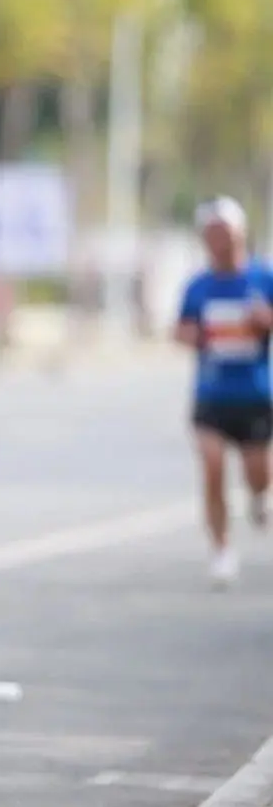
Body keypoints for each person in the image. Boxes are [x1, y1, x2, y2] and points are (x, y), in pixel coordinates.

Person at [174, 196, 273, 587]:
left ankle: (258, 495)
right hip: (211, 395)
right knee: (212, 467)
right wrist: (198, 334)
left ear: (240, 234)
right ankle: (221, 549)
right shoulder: (198, 286)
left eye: (225, 233)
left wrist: (264, 322)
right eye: (211, 234)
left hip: (255, 395)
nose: (219, 241)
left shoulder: (263, 279)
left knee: (257, 472)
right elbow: (180, 330)